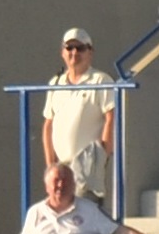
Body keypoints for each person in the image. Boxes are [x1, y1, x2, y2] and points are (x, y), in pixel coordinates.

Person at [17, 163, 152, 234]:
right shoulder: (35, 212)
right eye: (56, 180)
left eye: (66, 180)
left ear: (74, 185)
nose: (61, 184)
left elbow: (121, 232)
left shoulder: (90, 209)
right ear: (47, 186)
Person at [42, 29, 116, 200]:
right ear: (62, 52)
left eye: (80, 48)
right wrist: (50, 166)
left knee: (82, 211)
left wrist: (102, 156)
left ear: (90, 52)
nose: (74, 52)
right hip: (62, 167)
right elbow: (48, 125)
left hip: (87, 167)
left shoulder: (101, 80)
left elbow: (111, 118)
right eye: (69, 48)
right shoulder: (55, 83)